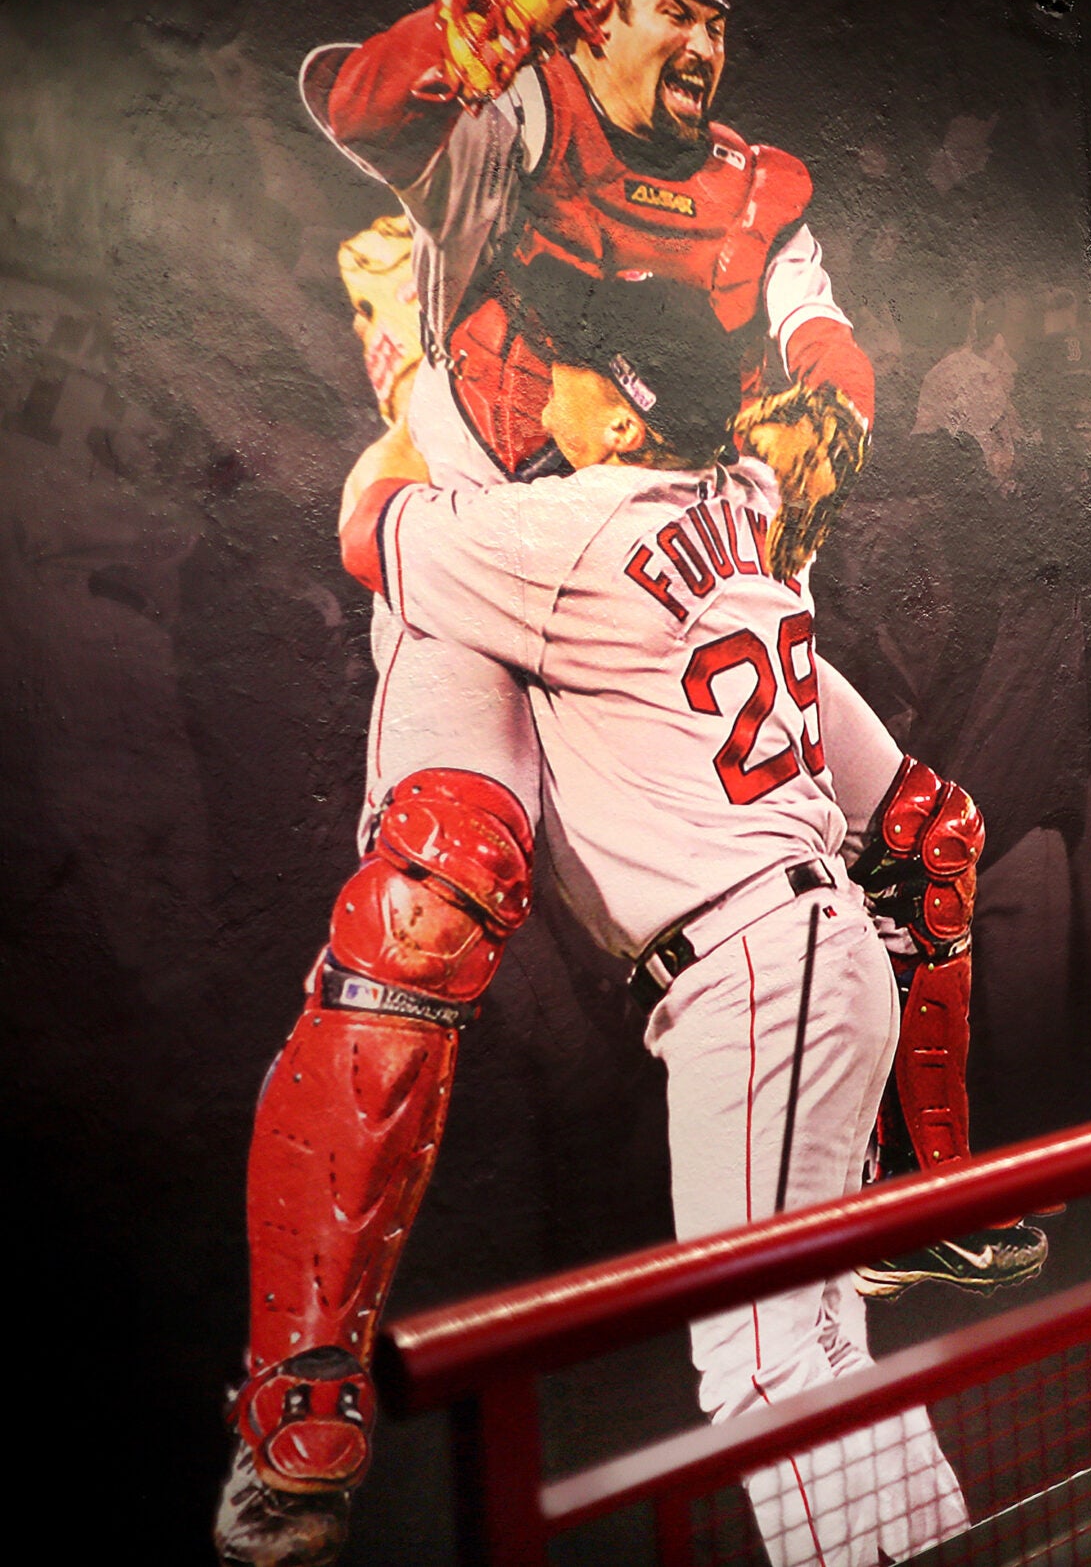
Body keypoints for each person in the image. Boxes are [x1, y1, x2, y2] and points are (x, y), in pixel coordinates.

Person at [218, 0, 1024, 1562]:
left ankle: (909, 1201)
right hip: (496, 572)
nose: (709, 39)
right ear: (592, 22)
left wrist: (827, 410)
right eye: (676, 11)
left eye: (724, 18)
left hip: (621, 574)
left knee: (928, 832)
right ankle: (298, 1376)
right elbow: (362, 116)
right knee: (440, 881)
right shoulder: (501, 116)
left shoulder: (745, 197)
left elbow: (816, 334)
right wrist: (461, 36)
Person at [336, 365, 967, 1567]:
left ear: (626, 413)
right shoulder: (745, 496)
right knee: (821, 1339)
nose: (536, 395)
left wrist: (414, 403)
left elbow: (368, 526)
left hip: (749, 961)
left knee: (760, 1361)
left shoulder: (567, 528)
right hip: (810, 943)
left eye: (562, 376)